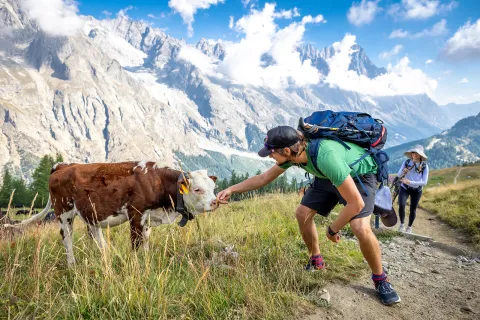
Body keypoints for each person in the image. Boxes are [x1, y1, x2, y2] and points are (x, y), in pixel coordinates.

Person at [217, 126, 401, 306]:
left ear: (287, 150)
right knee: (302, 213)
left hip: (358, 176)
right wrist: (231, 189)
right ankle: (316, 260)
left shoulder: (325, 156)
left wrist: (332, 229)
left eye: (271, 152)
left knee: (360, 227)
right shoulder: (292, 155)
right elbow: (263, 179)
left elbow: (356, 204)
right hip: (327, 176)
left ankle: (381, 279)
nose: (271, 156)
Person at [396, 145, 429, 234]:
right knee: (402, 205)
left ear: (421, 155)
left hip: (417, 190)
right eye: (413, 152)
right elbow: (399, 175)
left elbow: (424, 182)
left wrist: (410, 182)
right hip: (404, 188)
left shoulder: (425, 166)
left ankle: (409, 227)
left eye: (417, 153)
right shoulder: (406, 162)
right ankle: (402, 225)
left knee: (413, 209)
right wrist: (404, 171)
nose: (414, 154)